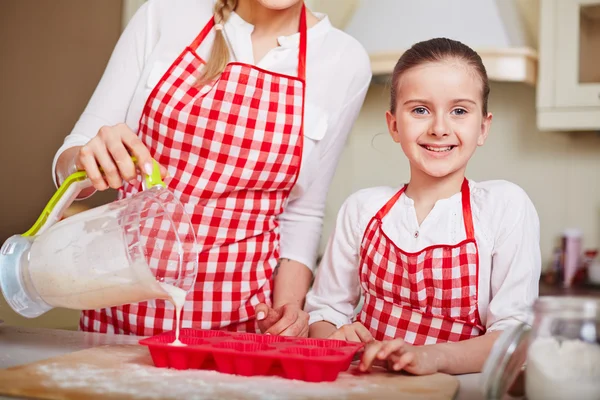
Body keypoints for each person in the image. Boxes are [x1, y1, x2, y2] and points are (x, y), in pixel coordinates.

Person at [52, 0, 371, 336]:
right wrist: (86, 160)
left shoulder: (345, 60)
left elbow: (303, 212)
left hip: (239, 334)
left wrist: (286, 312)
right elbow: (71, 164)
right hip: (115, 313)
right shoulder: (165, 14)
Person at [305, 37, 541, 375]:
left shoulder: (504, 206)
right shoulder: (362, 209)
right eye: (420, 110)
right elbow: (324, 311)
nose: (439, 128)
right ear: (393, 125)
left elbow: (514, 337)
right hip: (367, 388)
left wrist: (432, 357)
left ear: (483, 127)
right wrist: (336, 337)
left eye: (459, 111)